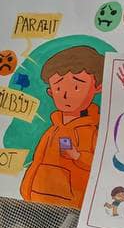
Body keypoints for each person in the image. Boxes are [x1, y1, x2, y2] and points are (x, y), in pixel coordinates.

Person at [20, 45, 103, 209]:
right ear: (51, 92)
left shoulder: (90, 131)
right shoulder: (53, 130)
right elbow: (38, 161)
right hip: (38, 200)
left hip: (70, 206)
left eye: (76, 87)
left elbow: (99, 164)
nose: (66, 94)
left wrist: (78, 156)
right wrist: (26, 191)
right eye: (58, 88)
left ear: (98, 88)